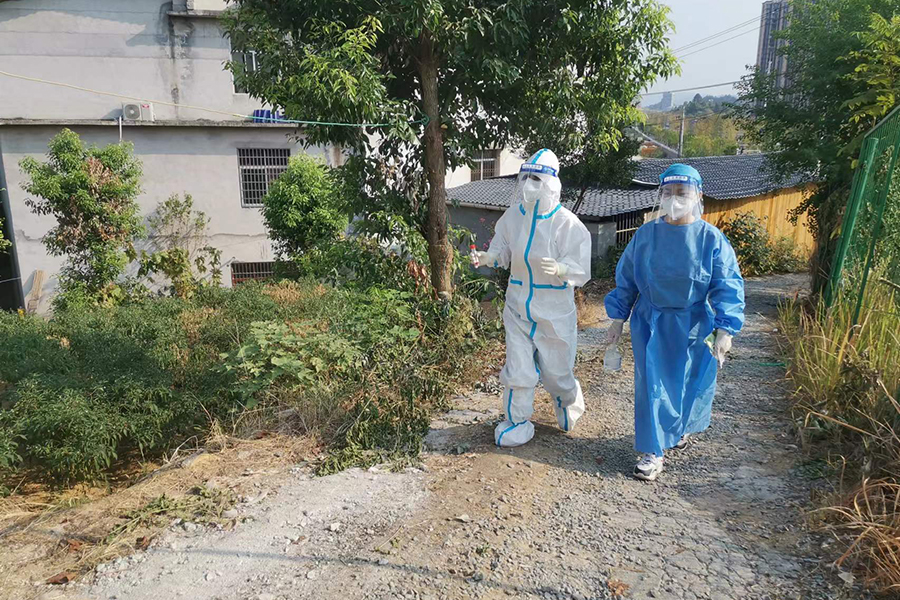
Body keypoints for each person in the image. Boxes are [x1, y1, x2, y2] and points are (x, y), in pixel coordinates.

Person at [604, 164, 745, 481]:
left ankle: (679, 429)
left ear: (697, 196)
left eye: (682, 193)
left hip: (694, 323)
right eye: (667, 193)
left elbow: (727, 284)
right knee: (653, 385)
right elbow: (627, 279)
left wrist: (726, 328)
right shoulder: (646, 235)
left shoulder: (710, 239)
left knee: (689, 382)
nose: (674, 199)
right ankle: (653, 450)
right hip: (651, 322)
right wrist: (617, 319)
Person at [471, 149, 592, 447]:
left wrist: (563, 269)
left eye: (536, 179)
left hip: (554, 311)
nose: (528, 184)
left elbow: (581, 268)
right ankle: (517, 421)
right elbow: (502, 250)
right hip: (517, 306)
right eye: (525, 178)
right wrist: (488, 257)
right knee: (518, 368)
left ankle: (567, 400)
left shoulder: (567, 224)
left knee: (556, 373)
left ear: (551, 183)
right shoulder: (513, 217)